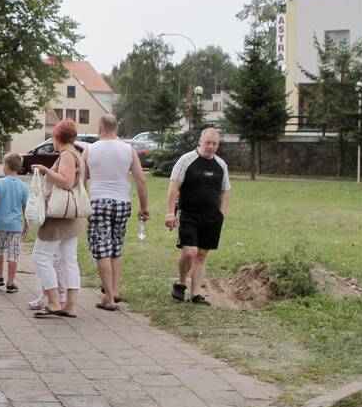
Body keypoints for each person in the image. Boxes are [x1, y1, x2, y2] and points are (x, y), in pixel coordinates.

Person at [83, 114, 150, 311]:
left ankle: (109, 298)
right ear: (116, 129)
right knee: (116, 248)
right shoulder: (128, 150)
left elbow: (82, 180)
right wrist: (144, 207)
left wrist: (81, 204)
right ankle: (115, 289)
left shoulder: (90, 150)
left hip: (98, 202)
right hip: (122, 203)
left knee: (101, 249)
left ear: (100, 127)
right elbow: (140, 180)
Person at [165, 128, 231, 306]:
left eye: (214, 143)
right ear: (200, 141)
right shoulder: (186, 160)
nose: (210, 146)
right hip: (189, 214)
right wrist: (170, 213)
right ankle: (180, 281)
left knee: (201, 255)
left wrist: (221, 214)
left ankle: (195, 294)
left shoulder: (221, 165)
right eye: (208, 142)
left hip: (211, 216)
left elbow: (225, 191)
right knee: (189, 252)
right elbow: (173, 188)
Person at [30, 120, 85, 318]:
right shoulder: (77, 153)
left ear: (56, 137)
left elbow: (67, 181)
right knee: (68, 259)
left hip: (59, 215)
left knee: (40, 256)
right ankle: (70, 305)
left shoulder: (67, 155)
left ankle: (53, 301)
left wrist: (46, 171)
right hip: (71, 215)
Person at [0, 152, 29, 294]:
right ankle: (10, 282)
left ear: (7, 166)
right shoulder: (23, 186)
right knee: (13, 253)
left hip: (0, 224)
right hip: (15, 226)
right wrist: (26, 225)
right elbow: (25, 208)